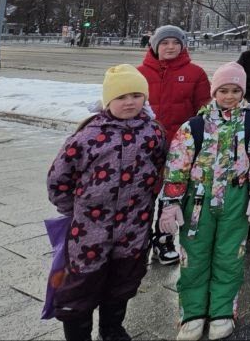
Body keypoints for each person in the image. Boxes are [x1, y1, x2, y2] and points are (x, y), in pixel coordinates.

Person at [47, 65, 167, 341]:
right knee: (81, 284)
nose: (130, 102)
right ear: (108, 100)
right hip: (90, 229)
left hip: (134, 226)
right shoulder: (88, 135)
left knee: (122, 280)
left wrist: (146, 202)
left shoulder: (153, 133)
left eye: (136, 95)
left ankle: (112, 328)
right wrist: (73, 209)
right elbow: (59, 178)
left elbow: (160, 167)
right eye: (121, 96)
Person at [159, 62, 250, 341]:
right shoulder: (194, 126)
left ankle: (222, 311)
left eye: (235, 90)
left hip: (236, 199)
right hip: (198, 201)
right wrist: (172, 202)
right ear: (214, 92)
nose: (229, 96)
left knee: (229, 256)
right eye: (224, 90)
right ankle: (193, 313)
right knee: (194, 257)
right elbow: (177, 165)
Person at [137, 25, 210, 266]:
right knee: (143, 194)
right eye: (165, 43)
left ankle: (164, 240)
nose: (170, 47)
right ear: (155, 46)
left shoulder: (195, 73)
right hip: (146, 146)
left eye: (176, 43)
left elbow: (204, 109)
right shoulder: (139, 73)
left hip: (180, 147)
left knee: (172, 193)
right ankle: (140, 240)